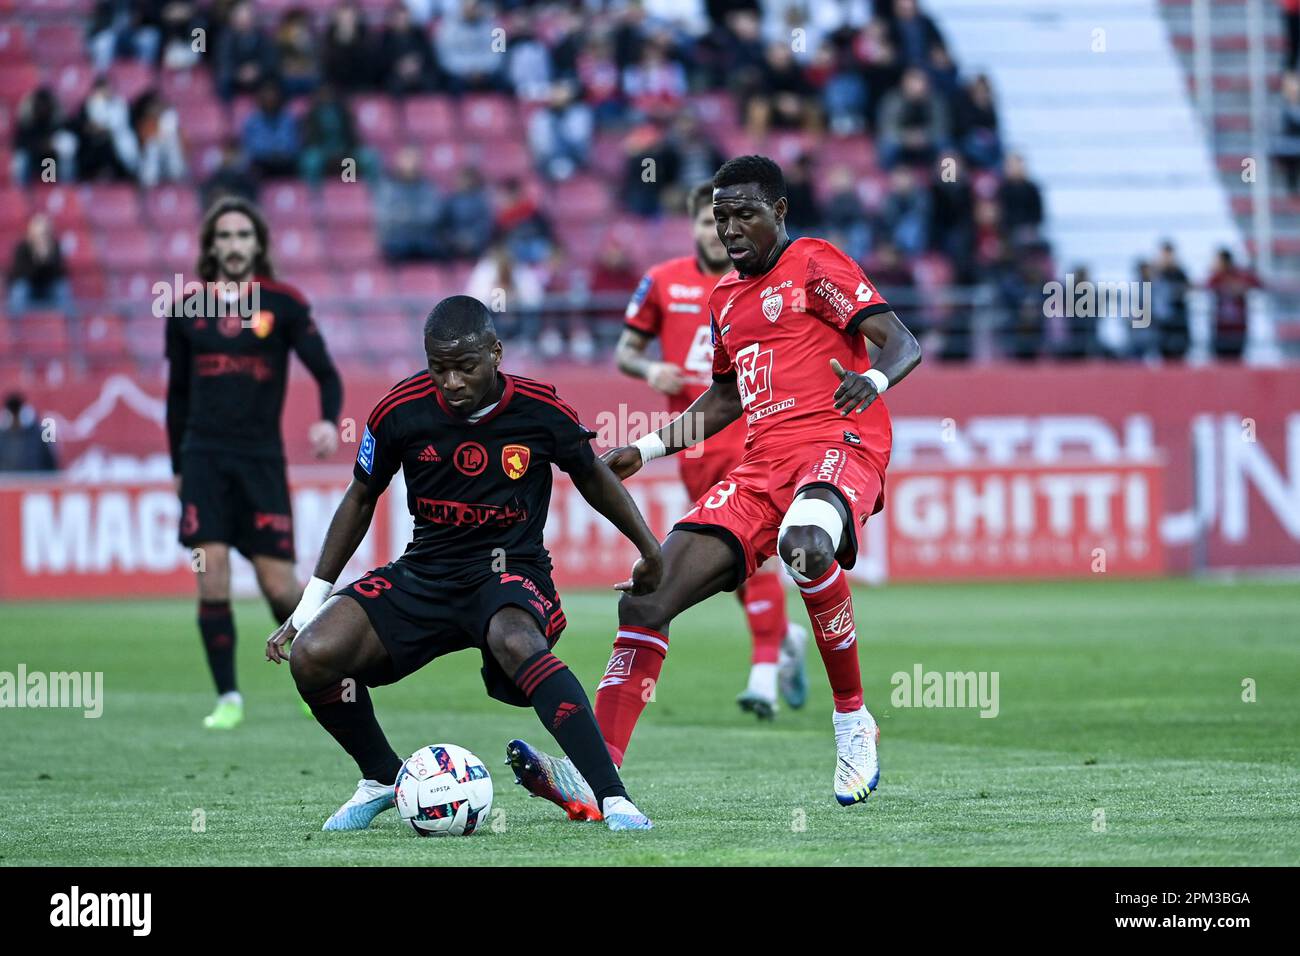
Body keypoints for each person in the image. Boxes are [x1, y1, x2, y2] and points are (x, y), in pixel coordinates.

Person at [510, 156, 922, 815]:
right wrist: (645, 447)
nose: (730, 228)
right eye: (721, 216)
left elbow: (901, 342)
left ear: (779, 212)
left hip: (839, 442)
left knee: (807, 542)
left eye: (745, 214)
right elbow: (726, 398)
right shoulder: (724, 300)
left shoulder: (817, 264)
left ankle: (852, 720)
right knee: (644, 599)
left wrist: (870, 382)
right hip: (759, 467)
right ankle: (598, 775)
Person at [264, 295, 659, 833]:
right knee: (313, 654)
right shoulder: (400, 410)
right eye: (438, 367)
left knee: (518, 643)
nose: (451, 381)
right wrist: (311, 602)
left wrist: (650, 549)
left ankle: (611, 796)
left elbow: (592, 477)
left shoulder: (541, 409)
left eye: (465, 367)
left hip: (509, 572)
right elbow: (360, 497)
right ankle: (382, 777)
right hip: (424, 572)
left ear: (495, 353)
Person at [614, 182, 808, 720]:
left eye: (726, 220)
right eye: (707, 222)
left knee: (760, 556)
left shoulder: (761, 283)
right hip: (694, 441)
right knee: (735, 566)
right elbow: (625, 351)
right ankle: (785, 639)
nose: (718, 232)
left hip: (756, 436)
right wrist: (650, 368)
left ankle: (764, 675)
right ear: (696, 226)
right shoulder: (664, 282)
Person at [165, 197, 343, 730]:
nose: (235, 245)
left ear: (257, 244)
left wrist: (328, 420)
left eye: (244, 235)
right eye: (225, 236)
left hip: (262, 461)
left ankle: (317, 678)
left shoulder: (284, 305)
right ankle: (228, 699)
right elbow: (176, 397)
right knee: (211, 574)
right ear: (212, 247)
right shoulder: (186, 310)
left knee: (280, 586)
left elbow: (327, 374)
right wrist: (178, 465)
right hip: (203, 459)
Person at [6, 214, 73, 316]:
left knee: (61, 288)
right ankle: (14, 324)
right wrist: (38, 260)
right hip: (29, 286)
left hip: (47, 286)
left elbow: (59, 273)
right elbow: (20, 274)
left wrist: (48, 260)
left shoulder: (55, 246)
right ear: (31, 232)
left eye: (44, 233)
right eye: (39, 233)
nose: (41, 236)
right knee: (20, 290)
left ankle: (67, 323)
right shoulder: (22, 247)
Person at [0, 393, 58, 473]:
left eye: (17, 415)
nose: (15, 420)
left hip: (35, 483)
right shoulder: (2, 437)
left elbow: (51, 464)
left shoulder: (40, 435)